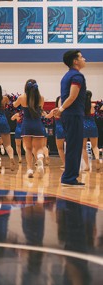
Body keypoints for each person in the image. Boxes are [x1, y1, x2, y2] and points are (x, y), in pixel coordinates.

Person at [55, 50, 87, 187]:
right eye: (81, 57)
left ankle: (69, 177)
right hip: (73, 114)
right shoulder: (77, 76)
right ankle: (69, 178)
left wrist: (61, 110)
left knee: (73, 146)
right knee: (75, 146)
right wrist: (61, 109)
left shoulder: (67, 76)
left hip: (70, 115)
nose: (84, 59)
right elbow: (72, 97)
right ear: (75, 61)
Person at [14, 79, 46, 178]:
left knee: (28, 149)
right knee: (39, 148)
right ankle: (40, 159)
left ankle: (29, 170)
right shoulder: (41, 98)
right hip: (37, 125)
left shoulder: (22, 97)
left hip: (27, 125)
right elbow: (40, 111)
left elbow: (14, 105)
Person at [45, 96, 66, 169]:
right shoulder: (67, 109)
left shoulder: (55, 110)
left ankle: (64, 163)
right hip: (68, 129)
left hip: (59, 129)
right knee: (70, 147)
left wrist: (43, 113)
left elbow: (47, 116)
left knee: (60, 148)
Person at [82, 90, 100, 171]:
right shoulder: (93, 105)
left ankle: (87, 166)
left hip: (83, 127)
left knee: (83, 148)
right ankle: (97, 158)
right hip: (93, 126)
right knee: (95, 146)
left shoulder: (80, 106)